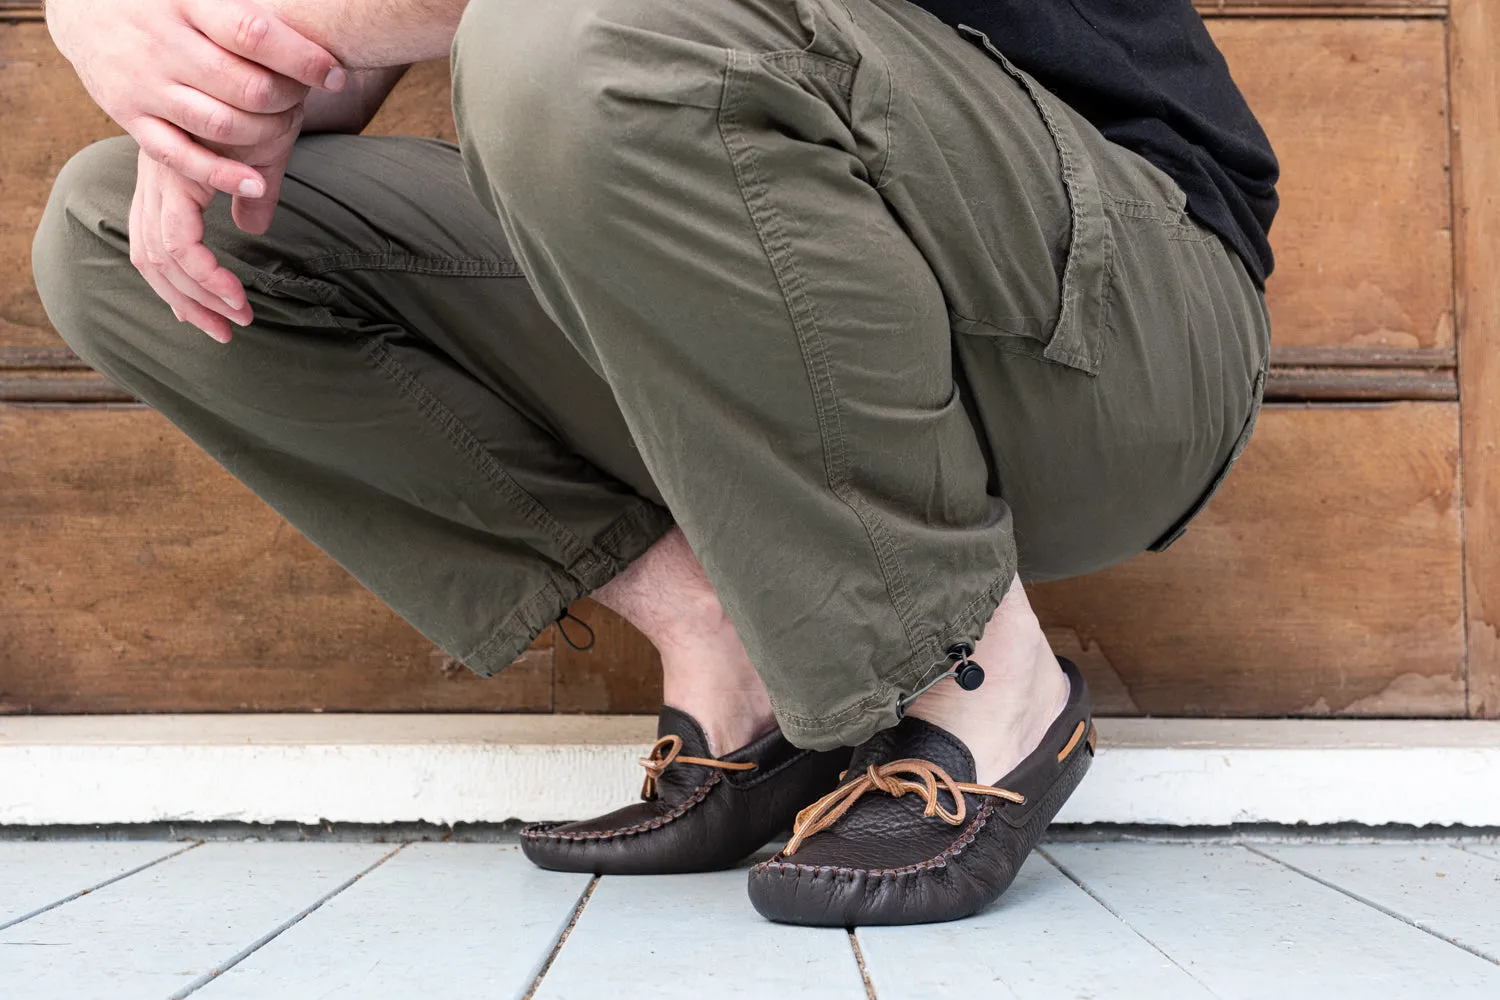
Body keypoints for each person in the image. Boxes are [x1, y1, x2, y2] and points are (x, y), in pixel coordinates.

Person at [34, 0, 1275, 926]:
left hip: (1113, 324)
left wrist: (128, 14)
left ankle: (980, 676)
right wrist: (170, 73)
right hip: (791, 324)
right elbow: (318, 75)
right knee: (124, 237)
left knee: (574, 32)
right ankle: (731, 631)